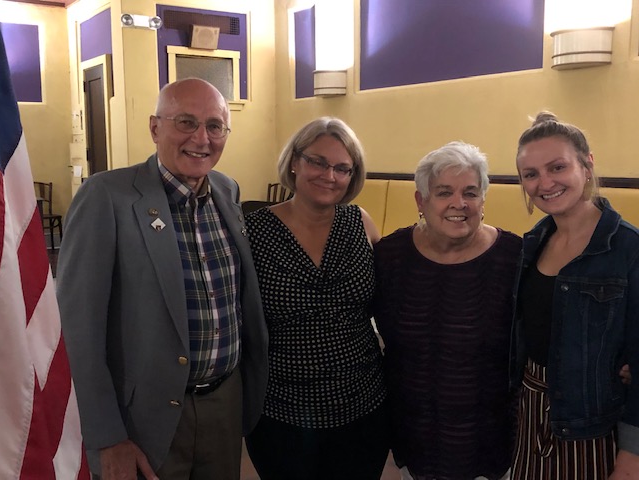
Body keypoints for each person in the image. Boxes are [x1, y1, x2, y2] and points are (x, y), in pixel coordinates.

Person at [56, 78, 268, 480]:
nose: (201, 138)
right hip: (143, 418)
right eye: (186, 122)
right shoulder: (106, 197)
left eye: (215, 126)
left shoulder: (227, 190)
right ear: (155, 128)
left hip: (224, 403)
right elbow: (77, 332)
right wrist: (105, 436)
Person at [244, 117, 388, 479]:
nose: (330, 175)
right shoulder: (254, 231)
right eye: (318, 162)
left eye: (342, 168)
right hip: (282, 412)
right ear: (294, 161)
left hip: (363, 405)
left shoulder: (360, 222)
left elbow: (394, 299)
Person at [374, 141, 520, 480]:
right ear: (421, 201)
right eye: (444, 192)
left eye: (471, 192)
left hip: (492, 446)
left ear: (484, 199)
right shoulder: (390, 256)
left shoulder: (515, 258)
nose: (460, 203)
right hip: (413, 441)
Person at [510, 112, 639, 479]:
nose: (544, 183)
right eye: (531, 174)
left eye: (557, 167)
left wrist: (633, 456)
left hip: (594, 424)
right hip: (531, 412)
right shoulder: (533, 242)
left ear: (587, 165)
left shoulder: (628, 248)